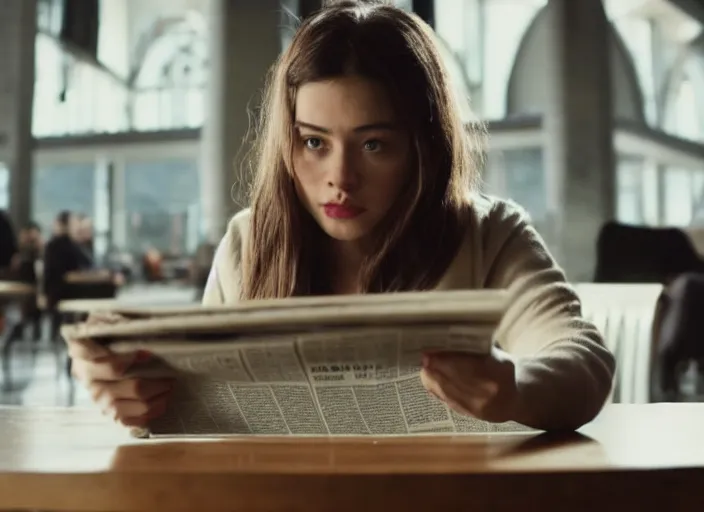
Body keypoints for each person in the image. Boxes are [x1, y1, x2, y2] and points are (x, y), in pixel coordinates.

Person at [68, 0, 615, 431]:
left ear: (423, 147)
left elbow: (583, 358)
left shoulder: (488, 233)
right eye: (313, 142)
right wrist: (131, 394)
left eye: (374, 145)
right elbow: (201, 410)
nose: (340, 177)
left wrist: (515, 388)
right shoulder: (248, 242)